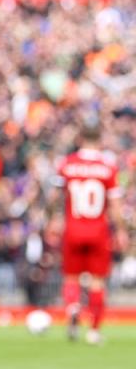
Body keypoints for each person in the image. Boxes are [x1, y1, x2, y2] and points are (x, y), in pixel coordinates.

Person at [52, 127, 125, 345]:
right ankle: (93, 331)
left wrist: (54, 219)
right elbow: (115, 206)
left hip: (72, 228)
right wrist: (121, 230)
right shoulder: (107, 167)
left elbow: (56, 197)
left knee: (71, 278)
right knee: (97, 283)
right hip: (98, 230)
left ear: (80, 138)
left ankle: (73, 307)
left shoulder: (67, 163)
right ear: (99, 140)